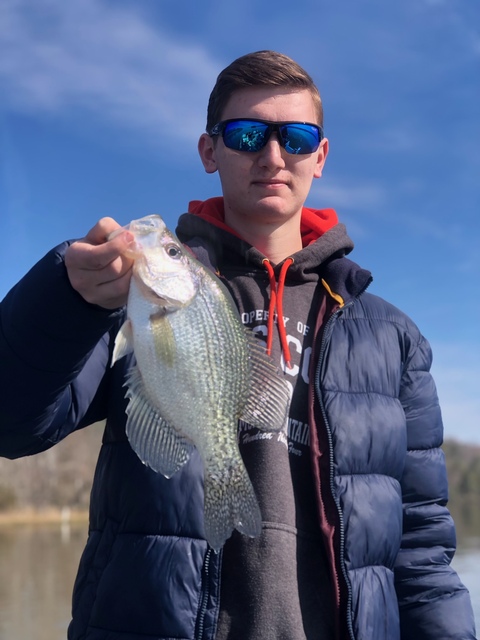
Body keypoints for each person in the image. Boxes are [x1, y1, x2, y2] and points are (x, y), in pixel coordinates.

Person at [0, 50, 476, 640]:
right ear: (209, 151)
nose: (273, 156)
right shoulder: (127, 298)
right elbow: (14, 424)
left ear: (320, 156)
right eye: (247, 134)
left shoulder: (392, 337)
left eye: (296, 137)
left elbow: (423, 550)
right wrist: (67, 300)